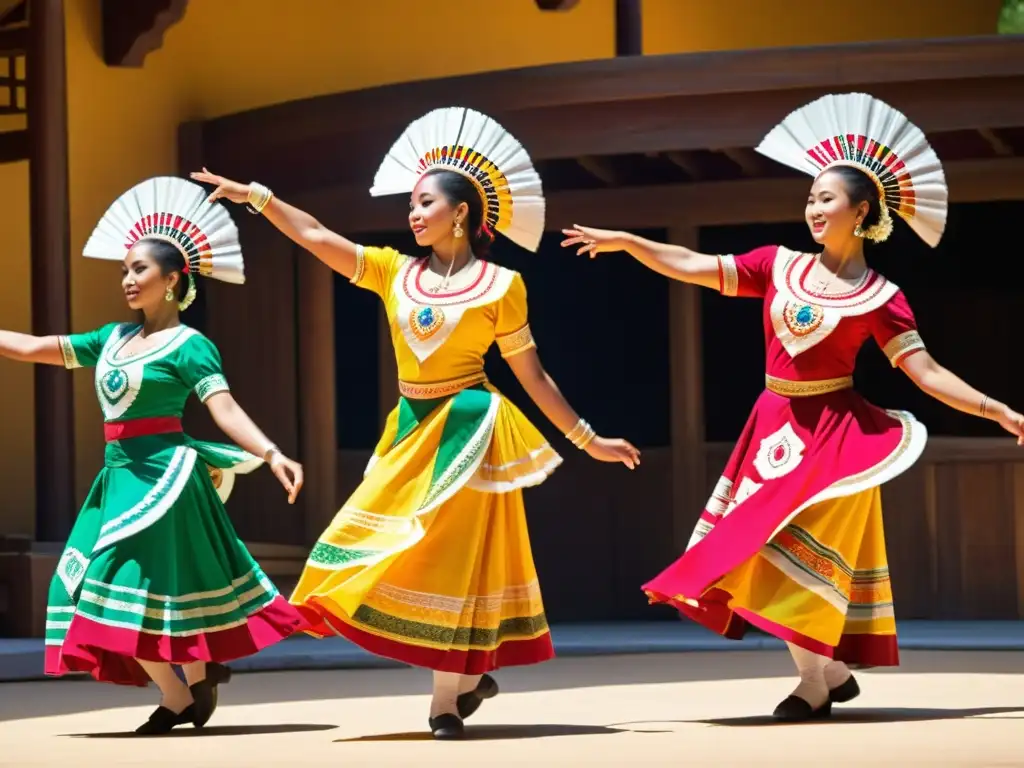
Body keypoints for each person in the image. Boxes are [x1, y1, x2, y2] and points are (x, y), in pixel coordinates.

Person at [561, 93, 1024, 722]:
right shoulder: (778, 266)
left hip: (838, 438)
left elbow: (927, 372)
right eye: (809, 197)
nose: (812, 207)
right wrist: (628, 242)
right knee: (749, 546)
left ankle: (812, 683)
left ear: (861, 211)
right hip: (775, 428)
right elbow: (696, 265)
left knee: (793, 553)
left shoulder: (882, 297)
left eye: (825, 198)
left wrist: (997, 409)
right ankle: (828, 671)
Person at [192, 106, 640, 739]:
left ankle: (444, 701)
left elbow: (533, 376)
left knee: (454, 555)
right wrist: (256, 198)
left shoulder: (502, 284)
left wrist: (589, 440)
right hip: (409, 428)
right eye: (412, 203)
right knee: (360, 542)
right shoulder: (394, 270)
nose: (413, 213)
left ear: (460, 212)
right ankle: (467, 676)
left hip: (471, 426)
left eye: (425, 202)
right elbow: (319, 236)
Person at [0, 177, 308, 735]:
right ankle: (191, 683)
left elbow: (224, 407)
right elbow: (32, 348)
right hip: (117, 480)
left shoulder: (191, 345)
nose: (128, 279)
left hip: (166, 480)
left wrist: (271, 452)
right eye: (124, 270)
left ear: (173, 280)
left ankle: (179, 694)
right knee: (90, 586)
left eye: (139, 269)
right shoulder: (111, 339)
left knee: (129, 583)